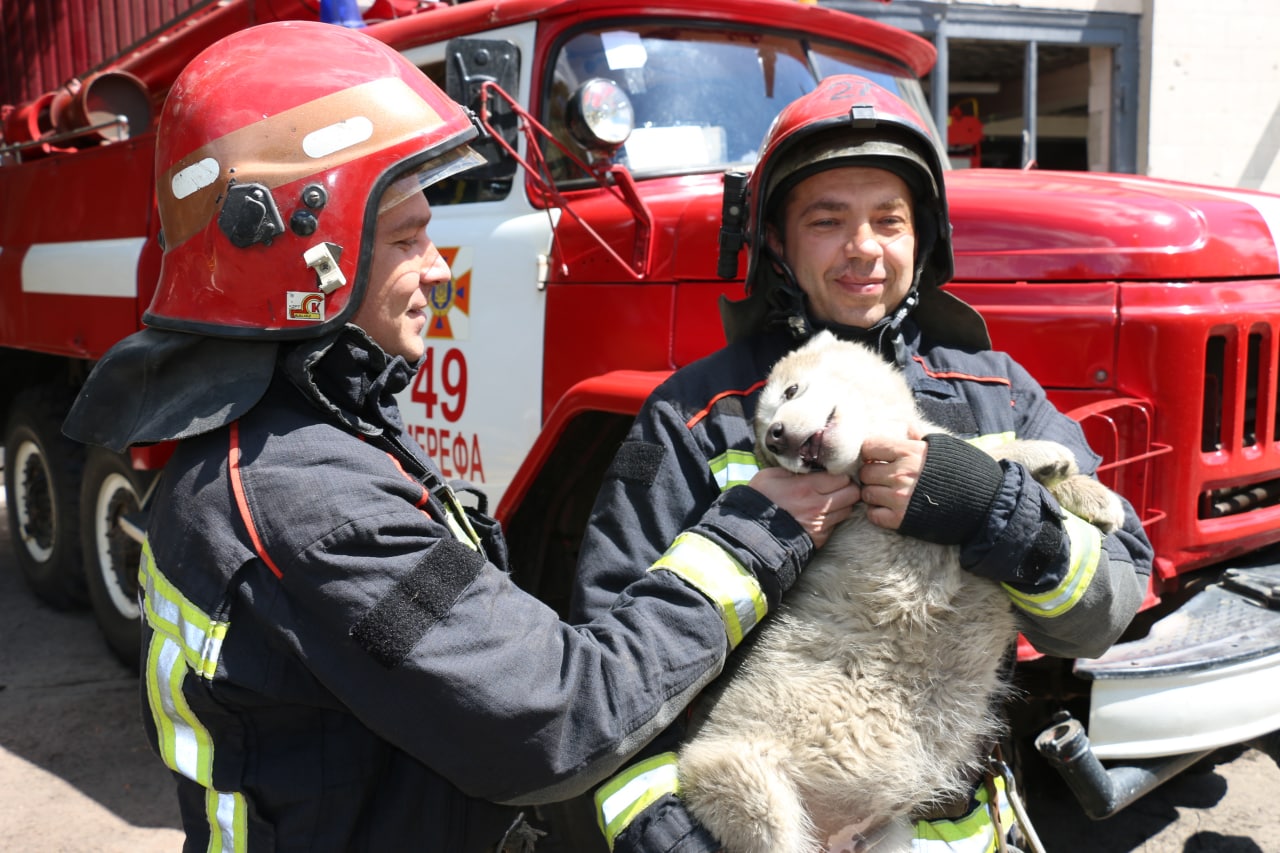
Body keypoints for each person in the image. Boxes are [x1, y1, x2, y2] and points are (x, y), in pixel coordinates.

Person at [62, 22, 861, 853]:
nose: (439, 269)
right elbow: (560, 717)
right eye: (409, 238)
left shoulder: (284, 440)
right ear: (311, 257)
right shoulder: (310, 500)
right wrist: (753, 535)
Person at [570, 75, 1155, 852]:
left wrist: (994, 508)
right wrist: (677, 841)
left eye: (889, 219)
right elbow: (608, 676)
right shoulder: (695, 415)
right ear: (775, 239)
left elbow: (1106, 608)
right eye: (827, 219)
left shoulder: (998, 394)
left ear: (925, 237)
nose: (864, 248)